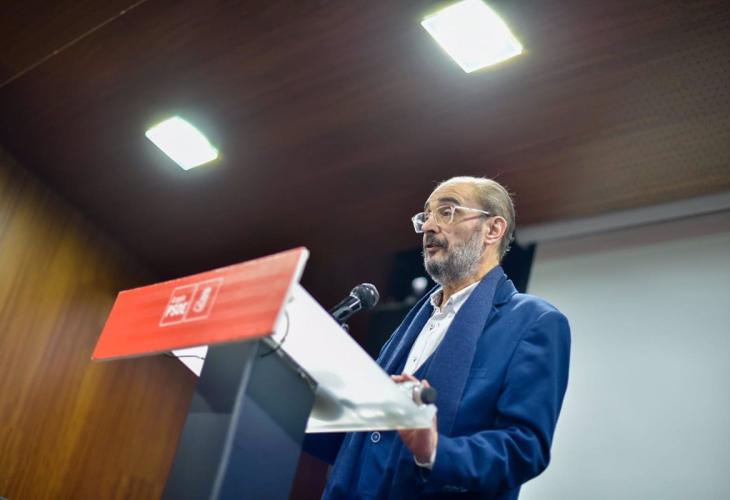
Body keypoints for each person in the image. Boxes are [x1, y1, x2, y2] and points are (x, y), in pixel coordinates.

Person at [305, 176, 571, 499]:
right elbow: (362, 439)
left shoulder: (535, 322)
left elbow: (523, 449)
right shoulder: (414, 323)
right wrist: (298, 395)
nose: (429, 226)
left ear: (493, 229)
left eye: (447, 211)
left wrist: (434, 450)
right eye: (427, 216)